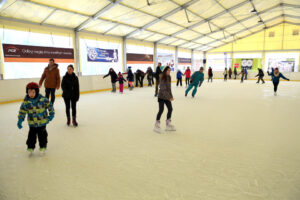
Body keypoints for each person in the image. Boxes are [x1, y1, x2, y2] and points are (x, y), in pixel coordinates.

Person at [17, 82, 54, 155]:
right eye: (29, 92)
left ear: (36, 92)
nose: (31, 94)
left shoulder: (43, 99)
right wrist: (20, 119)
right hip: (32, 123)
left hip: (42, 122)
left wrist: (51, 114)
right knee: (31, 136)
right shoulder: (26, 102)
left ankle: (43, 146)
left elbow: (50, 106)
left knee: (42, 135)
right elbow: (22, 111)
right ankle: (30, 147)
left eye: (33, 92)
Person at [154, 66, 176, 133]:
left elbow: (169, 88)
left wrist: (171, 96)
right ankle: (156, 125)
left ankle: (168, 124)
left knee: (170, 109)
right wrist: (169, 97)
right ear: (165, 71)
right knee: (161, 110)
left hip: (167, 96)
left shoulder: (169, 77)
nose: (169, 71)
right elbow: (163, 89)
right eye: (168, 70)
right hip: (161, 96)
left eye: (170, 70)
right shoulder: (162, 77)